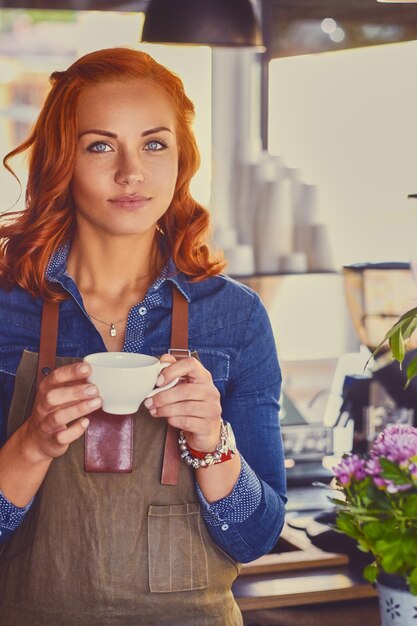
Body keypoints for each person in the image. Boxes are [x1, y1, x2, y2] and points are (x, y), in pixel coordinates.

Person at [0, 47, 286, 626]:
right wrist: (31, 443)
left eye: (154, 144)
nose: (131, 172)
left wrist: (211, 440)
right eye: (100, 145)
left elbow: (255, 538)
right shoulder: (7, 311)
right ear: (63, 160)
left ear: (181, 161)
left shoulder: (236, 318)